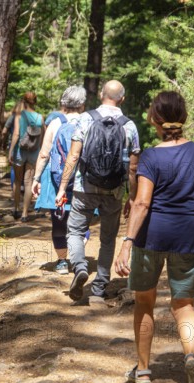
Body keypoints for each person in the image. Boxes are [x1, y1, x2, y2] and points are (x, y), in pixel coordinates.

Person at [113, 91, 194, 383]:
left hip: (152, 236)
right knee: (184, 305)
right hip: (188, 235)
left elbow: (142, 203)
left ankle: (144, 370)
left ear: (155, 119)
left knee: (145, 302)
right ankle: (190, 356)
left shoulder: (150, 156)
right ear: (183, 117)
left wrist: (126, 243)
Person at [55, 80, 140, 301]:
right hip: (114, 191)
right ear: (122, 98)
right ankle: (98, 290)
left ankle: (80, 267)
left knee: (74, 231)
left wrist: (63, 187)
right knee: (108, 239)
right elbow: (133, 167)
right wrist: (132, 196)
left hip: (85, 188)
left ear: (101, 94)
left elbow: (73, 156)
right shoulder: (129, 126)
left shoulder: (86, 119)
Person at [32, 86, 90, 275]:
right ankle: (78, 248)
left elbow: (44, 154)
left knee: (58, 221)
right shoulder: (89, 122)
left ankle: (62, 262)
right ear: (82, 104)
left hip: (55, 178)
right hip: (83, 178)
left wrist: (36, 178)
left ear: (63, 103)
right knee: (82, 218)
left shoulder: (56, 123)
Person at [9, 92, 44, 222]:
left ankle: (16, 208)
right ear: (35, 102)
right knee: (29, 183)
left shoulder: (20, 116)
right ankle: (25, 214)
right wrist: (40, 152)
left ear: (24, 101)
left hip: (20, 151)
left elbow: (16, 134)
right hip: (34, 153)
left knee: (18, 181)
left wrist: (11, 151)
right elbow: (42, 137)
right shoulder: (40, 118)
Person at [2, 100, 24, 190]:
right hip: (28, 146)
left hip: (15, 145)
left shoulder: (13, 116)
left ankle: (14, 191)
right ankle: (22, 189)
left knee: (14, 168)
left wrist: (3, 142)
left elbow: (4, 131)